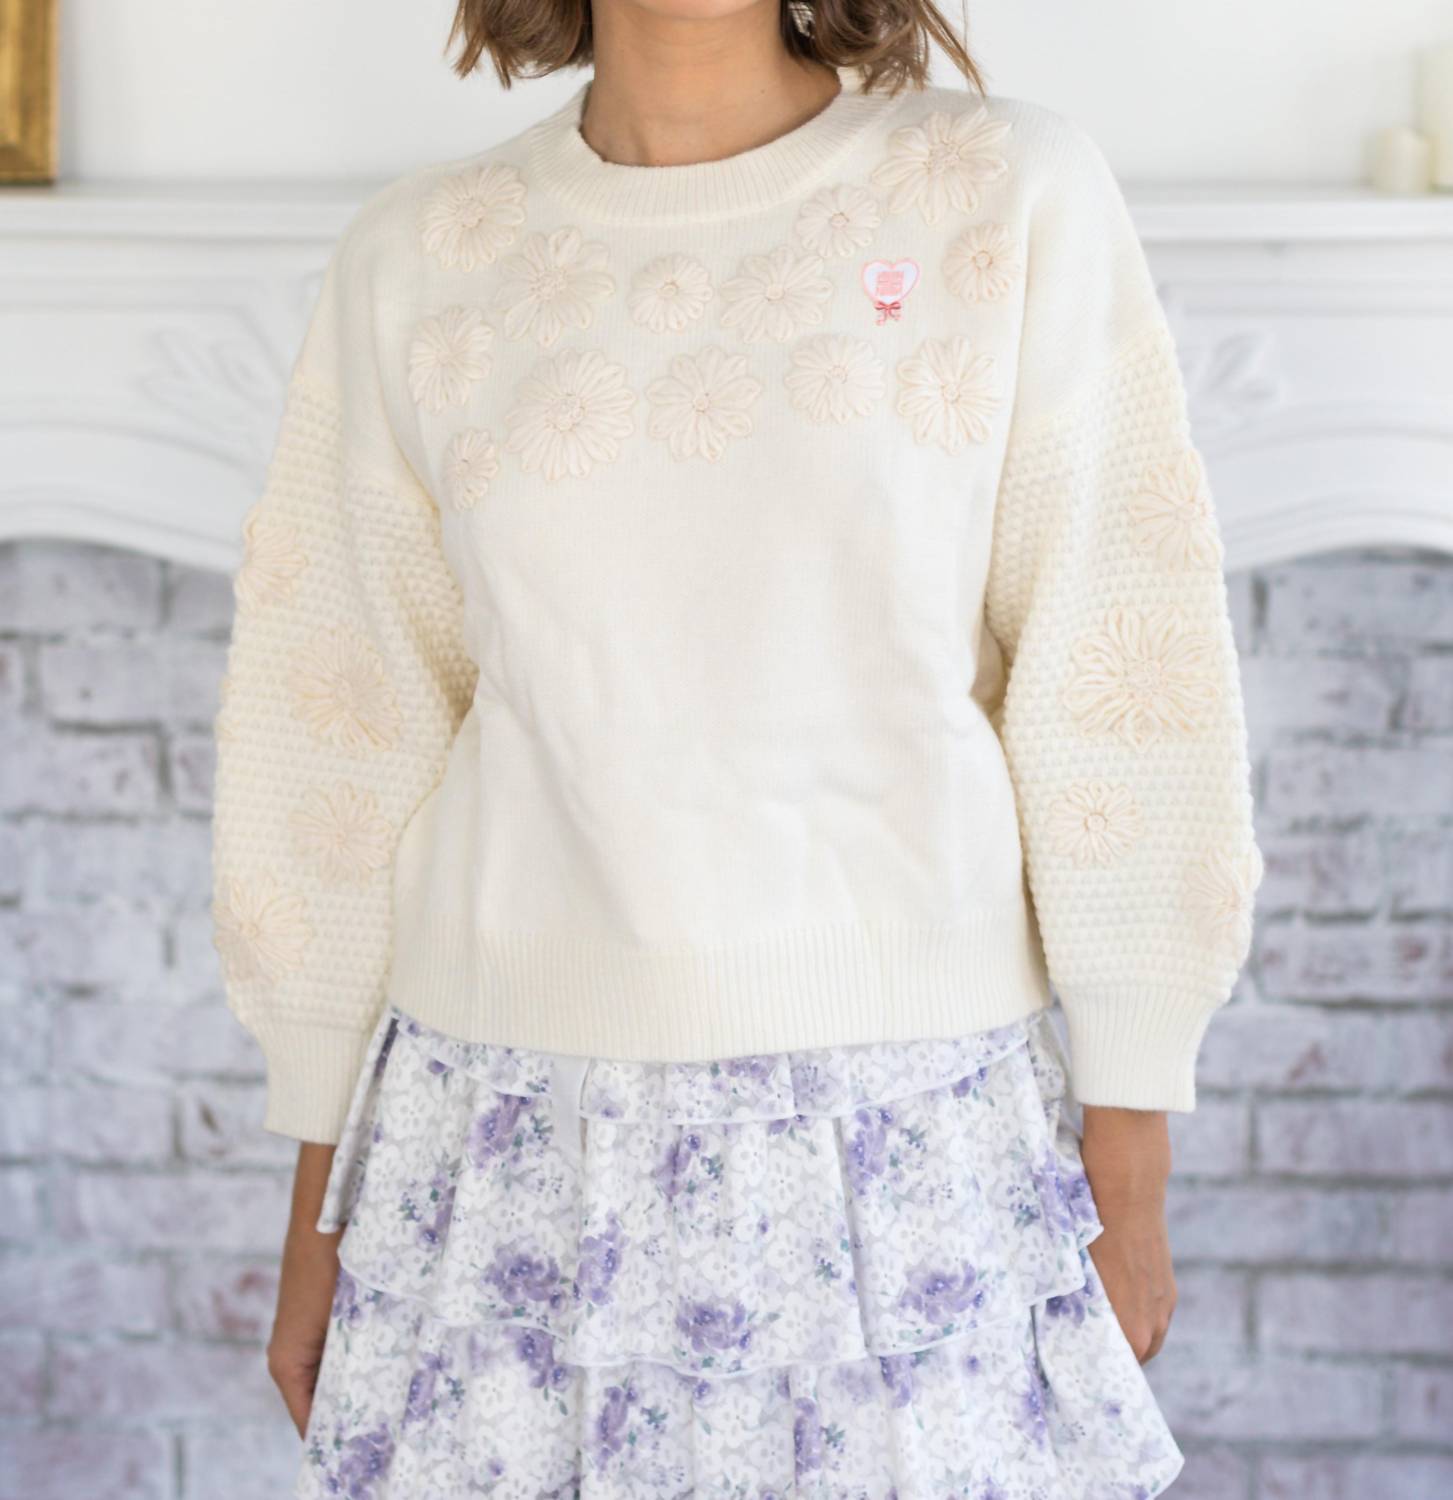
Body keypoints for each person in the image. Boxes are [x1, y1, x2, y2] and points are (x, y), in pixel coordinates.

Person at [210, 2, 1263, 1494]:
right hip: (499, 1149)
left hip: (912, 1143)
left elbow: (1124, 669)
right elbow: (343, 733)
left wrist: (1129, 1149)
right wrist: (320, 1198)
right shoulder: (417, 257)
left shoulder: (1009, 194)